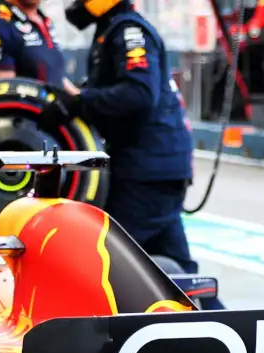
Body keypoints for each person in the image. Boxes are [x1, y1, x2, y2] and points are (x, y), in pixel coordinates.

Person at [41, 0, 197, 274]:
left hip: (146, 170)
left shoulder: (128, 31)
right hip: (153, 167)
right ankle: (207, 311)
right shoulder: (112, 30)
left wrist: (81, 103)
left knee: (107, 263)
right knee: (176, 269)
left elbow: (138, 95)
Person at [0, 0, 76, 91]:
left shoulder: (44, 20)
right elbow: (1, 90)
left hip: (54, 108)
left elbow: (54, 76)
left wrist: (79, 98)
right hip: (29, 109)